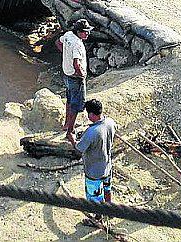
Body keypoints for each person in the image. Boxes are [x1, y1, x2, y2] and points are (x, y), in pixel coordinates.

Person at [76, 99, 116, 227]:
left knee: (95, 196)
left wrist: (72, 139)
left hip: (94, 171)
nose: (88, 116)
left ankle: (98, 219)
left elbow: (79, 148)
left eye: (88, 114)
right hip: (107, 166)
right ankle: (110, 211)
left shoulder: (92, 132)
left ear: (92, 114)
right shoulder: (110, 122)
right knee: (107, 189)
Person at [57, 18, 91, 145]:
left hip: (67, 74)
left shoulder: (68, 35)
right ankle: (70, 131)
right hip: (76, 78)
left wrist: (65, 55)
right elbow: (76, 63)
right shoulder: (77, 44)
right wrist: (82, 75)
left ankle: (66, 123)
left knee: (69, 100)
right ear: (79, 32)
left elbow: (58, 42)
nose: (87, 34)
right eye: (85, 32)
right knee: (76, 105)